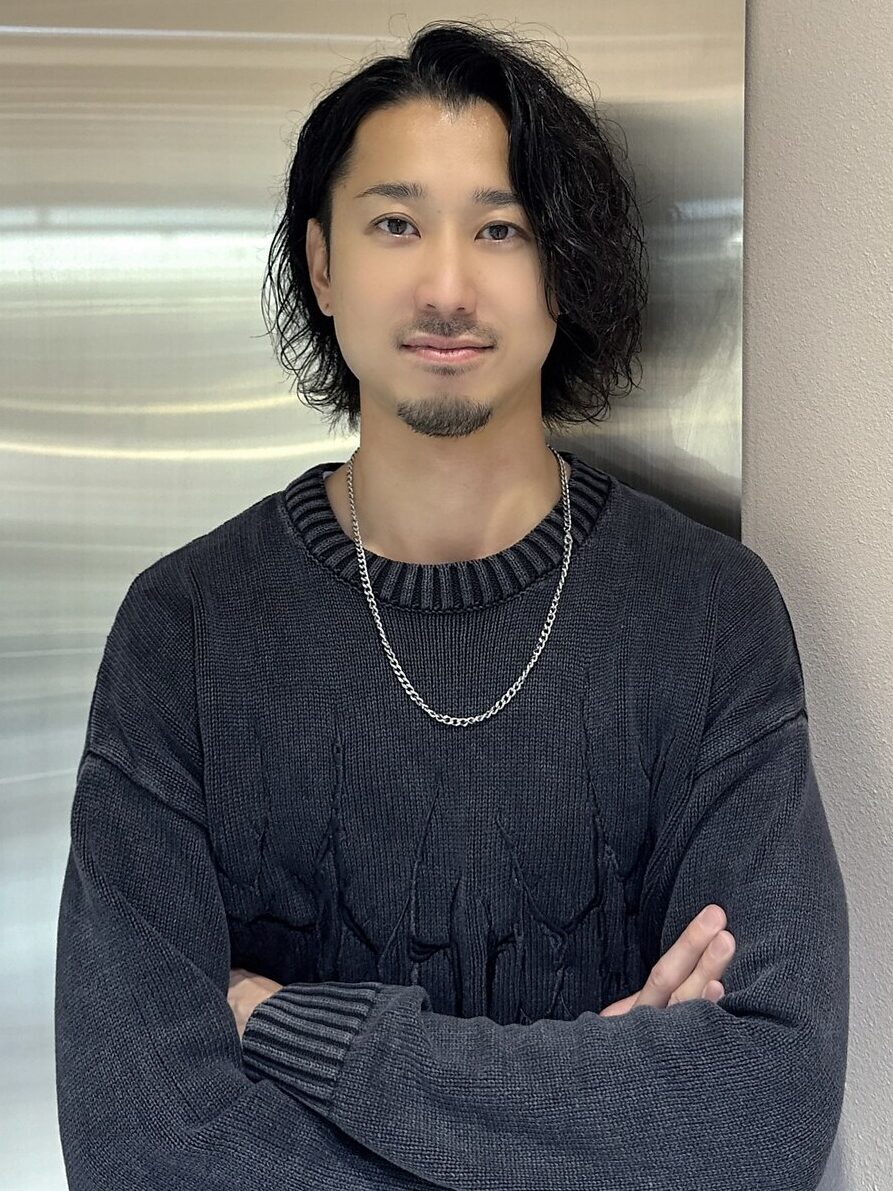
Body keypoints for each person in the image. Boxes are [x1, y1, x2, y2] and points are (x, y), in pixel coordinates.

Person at [54, 19, 849, 1191]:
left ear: (559, 268)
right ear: (322, 263)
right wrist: (597, 1108)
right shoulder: (185, 629)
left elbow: (758, 1118)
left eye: (499, 228)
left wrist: (296, 1033)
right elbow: (138, 1147)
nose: (444, 286)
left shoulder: (706, 617)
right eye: (394, 224)